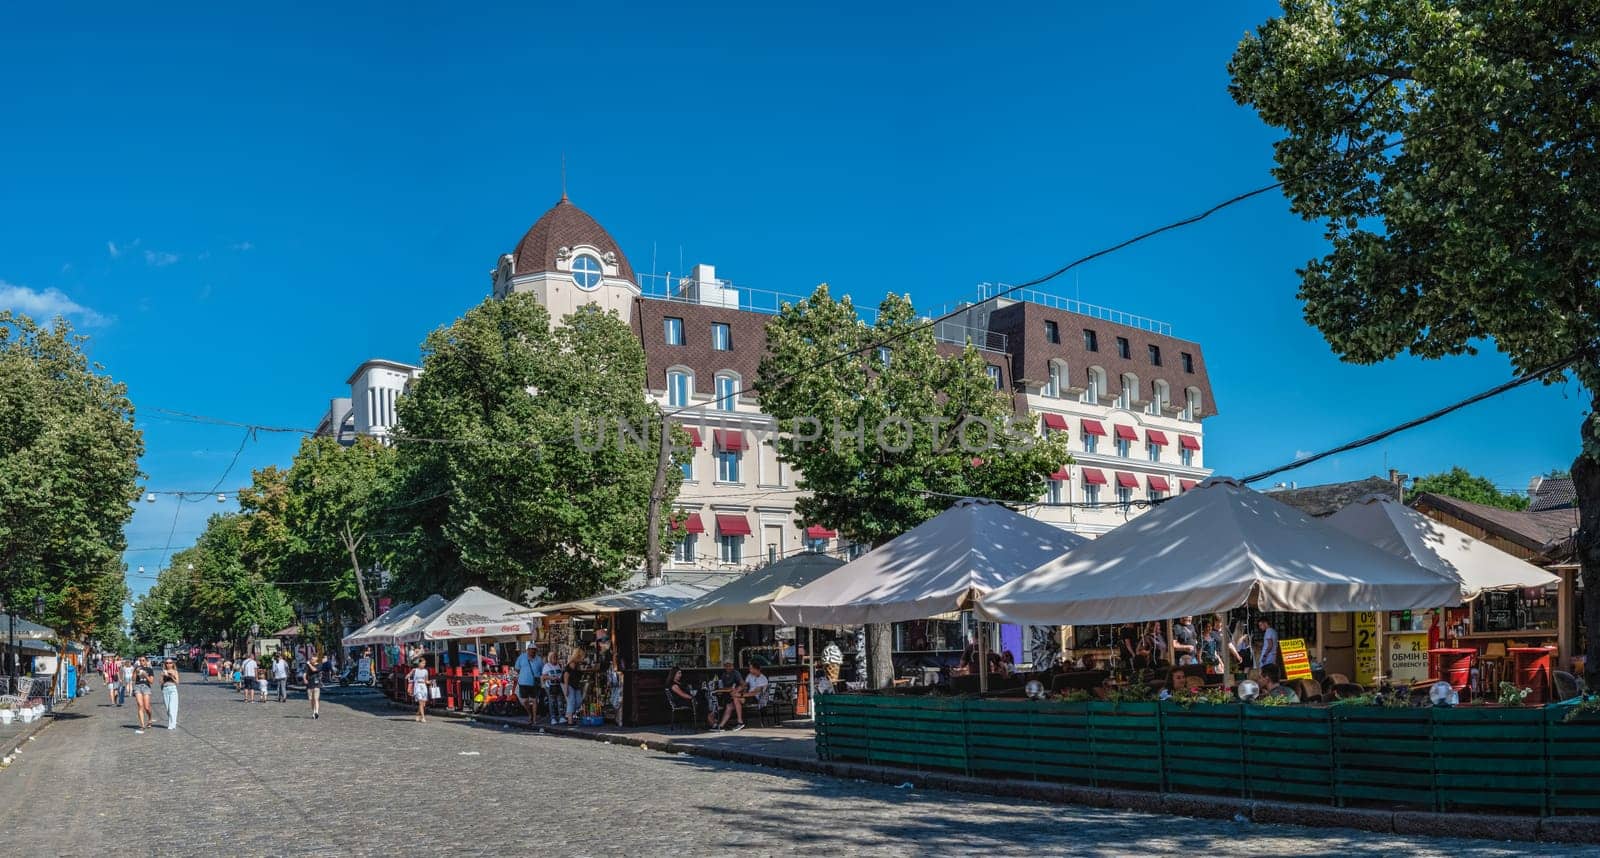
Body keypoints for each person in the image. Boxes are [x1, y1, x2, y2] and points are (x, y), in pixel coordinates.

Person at [514, 643, 544, 726]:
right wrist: (523, 674)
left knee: (534, 701)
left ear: (536, 651)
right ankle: (529, 714)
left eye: (534, 650)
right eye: (531, 650)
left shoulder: (539, 659)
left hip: (534, 683)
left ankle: (534, 718)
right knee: (525, 701)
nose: (532, 652)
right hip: (523, 682)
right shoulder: (522, 657)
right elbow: (517, 668)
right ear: (528, 650)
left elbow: (542, 671)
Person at [562, 649, 586, 726]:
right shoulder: (572, 663)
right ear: (578, 656)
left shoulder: (578, 664)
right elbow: (566, 676)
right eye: (582, 656)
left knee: (579, 701)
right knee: (571, 701)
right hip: (569, 684)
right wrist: (566, 688)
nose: (583, 658)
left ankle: (568, 714)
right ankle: (570, 721)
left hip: (575, 685)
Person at [540, 650, 565, 724]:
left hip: (558, 685)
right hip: (550, 686)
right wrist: (552, 678)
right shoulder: (546, 666)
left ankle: (561, 717)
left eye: (556, 657)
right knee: (552, 702)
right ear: (550, 658)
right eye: (553, 657)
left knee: (560, 702)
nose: (555, 658)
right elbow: (543, 677)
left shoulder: (559, 665)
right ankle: (553, 718)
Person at [132, 658, 154, 733]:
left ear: (146, 661)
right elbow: (133, 679)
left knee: (147, 707)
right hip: (138, 686)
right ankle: (142, 725)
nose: (141, 662)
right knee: (140, 705)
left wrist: (145, 675)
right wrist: (135, 672)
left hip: (146, 687)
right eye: (140, 660)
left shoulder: (149, 669)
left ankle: (150, 718)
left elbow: (151, 681)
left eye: (143, 660)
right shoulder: (136, 668)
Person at [159, 659, 180, 731]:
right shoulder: (163, 671)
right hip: (165, 689)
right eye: (167, 663)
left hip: (172, 689)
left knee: (172, 708)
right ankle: (172, 722)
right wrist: (162, 676)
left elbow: (177, 682)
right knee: (168, 709)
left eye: (170, 663)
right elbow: (161, 682)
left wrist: (171, 676)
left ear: (173, 664)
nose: (168, 664)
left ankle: (172, 724)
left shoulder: (175, 671)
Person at [409, 657, 431, 723]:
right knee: (420, 702)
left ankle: (417, 714)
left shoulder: (425, 671)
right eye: (423, 663)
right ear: (419, 663)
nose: (424, 664)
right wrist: (408, 676)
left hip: (423, 687)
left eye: (424, 663)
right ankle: (423, 717)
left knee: (423, 704)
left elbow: (426, 680)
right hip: (417, 686)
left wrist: (430, 682)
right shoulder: (415, 670)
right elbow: (408, 676)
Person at [304, 655, 323, 719]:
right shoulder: (307, 665)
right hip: (309, 684)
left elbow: (314, 670)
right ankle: (314, 712)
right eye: (311, 659)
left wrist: (309, 664)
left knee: (316, 699)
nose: (311, 660)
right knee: (311, 700)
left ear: (316, 659)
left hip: (316, 684)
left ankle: (316, 712)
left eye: (313, 659)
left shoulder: (319, 665)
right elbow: (305, 673)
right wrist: (304, 679)